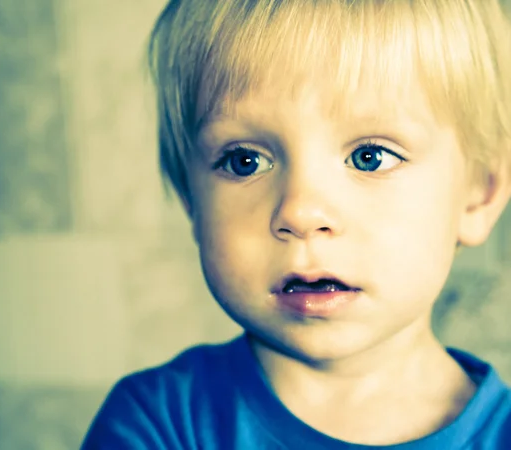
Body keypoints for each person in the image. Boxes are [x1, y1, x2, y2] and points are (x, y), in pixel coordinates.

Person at [82, 1, 511, 448]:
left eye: (370, 157)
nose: (300, 212)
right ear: (191, 200)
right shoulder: (159, 424)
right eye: (244, 161)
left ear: (479, 192)